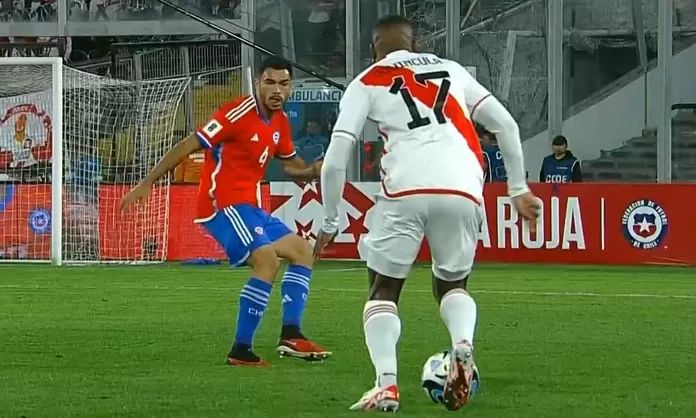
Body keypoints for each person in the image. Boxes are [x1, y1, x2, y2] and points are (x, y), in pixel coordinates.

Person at [313, 15, 539, 412]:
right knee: (452, 286)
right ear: (415, 45)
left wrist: (330, 221)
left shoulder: (366, 81)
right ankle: (462, 346)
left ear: (373, 48)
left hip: (406, 189)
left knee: (383, 289)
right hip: (463, 186)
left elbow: (334, 162)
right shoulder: (450, 69)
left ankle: (386, 384)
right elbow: (504, 124)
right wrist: (518, 188)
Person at [120, 56, 331, 367]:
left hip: (250, 207)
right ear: (257, 83)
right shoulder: (237, 113)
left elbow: (290, 166)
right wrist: (147, 182)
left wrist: (315, 170)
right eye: (269, 82)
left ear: (291, 88)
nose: (276, 90)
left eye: (283, 84)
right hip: (223, 204)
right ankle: (241, 350)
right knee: (266, 260)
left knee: (302, 251)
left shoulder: (281, 122)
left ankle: (291, 334)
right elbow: (188, 145)